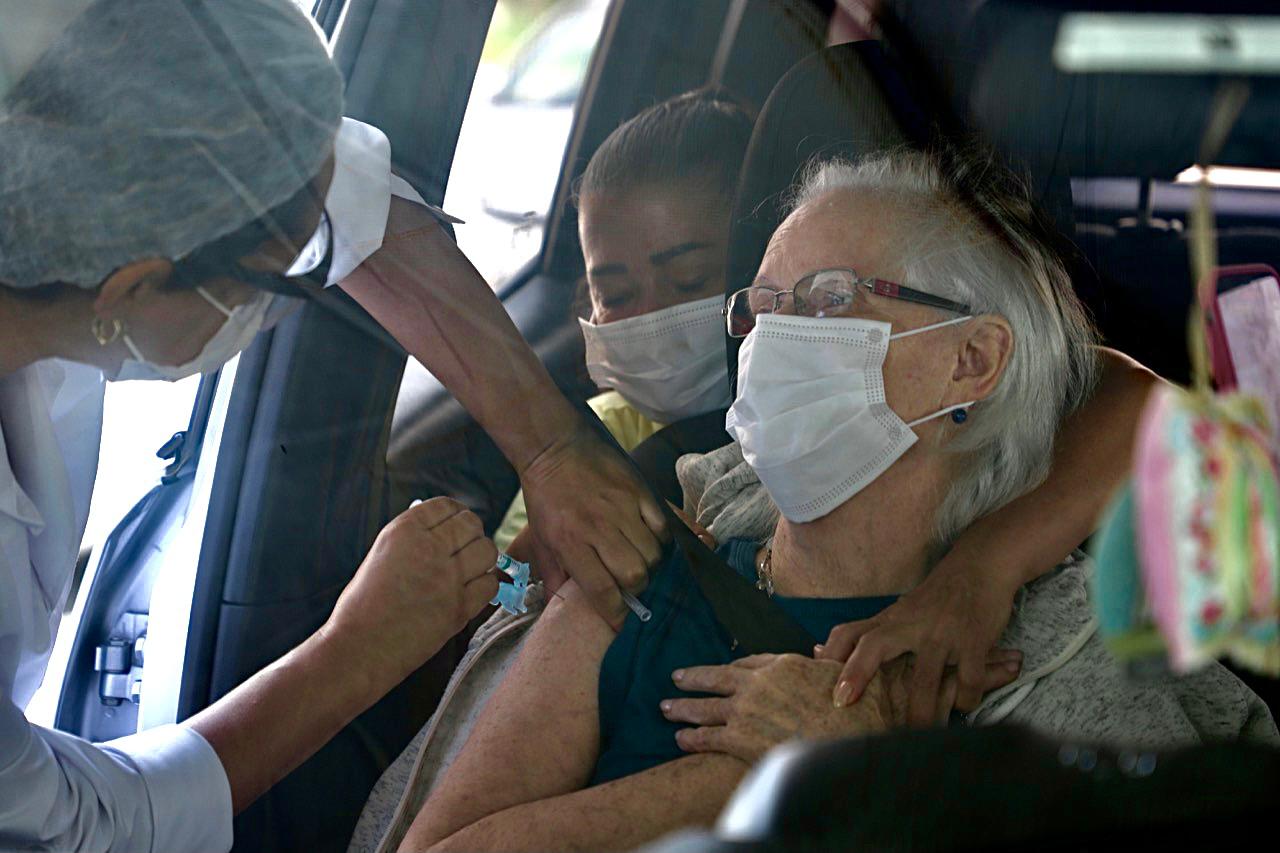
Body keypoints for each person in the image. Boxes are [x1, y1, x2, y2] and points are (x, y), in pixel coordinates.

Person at [397, 147, 1276, 852]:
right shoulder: (644, 574)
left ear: (970, 359)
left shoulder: (1058, 659)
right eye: (763, 307)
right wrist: (760, 776)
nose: (772, 338)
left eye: (825, 301)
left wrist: (864, 766)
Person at [0, 2, 666, 850]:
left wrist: (550, 446)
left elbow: (338, 187)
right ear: (132, 290)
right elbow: (71, 823)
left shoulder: (68, 210)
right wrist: (360, 648)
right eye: (279, 278)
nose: (302, 285)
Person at [494, 88, 752, 555]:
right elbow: (505, 599)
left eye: (688, 280)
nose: (651, 319)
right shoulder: (592, 439)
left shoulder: (816, 419)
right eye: (615, 295)